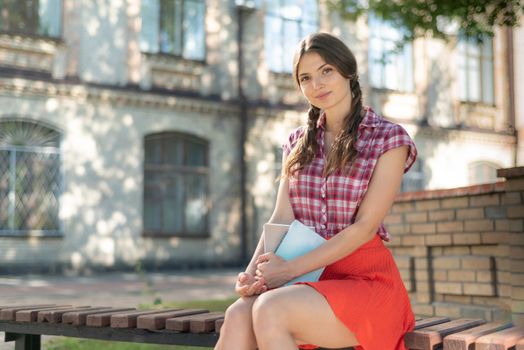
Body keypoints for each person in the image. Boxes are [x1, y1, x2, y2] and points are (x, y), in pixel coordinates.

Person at [214, 32, 417, 350]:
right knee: (239, 313)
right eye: (305, 78)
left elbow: (364, 229)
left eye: (326, 71)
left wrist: (288, 271)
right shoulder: (296, 143)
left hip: (364, 281)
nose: (317, 84)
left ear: (348, 72)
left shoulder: (389, 139)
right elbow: (281, 216)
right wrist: (253, 274)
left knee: (271, 308)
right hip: (305, 281)